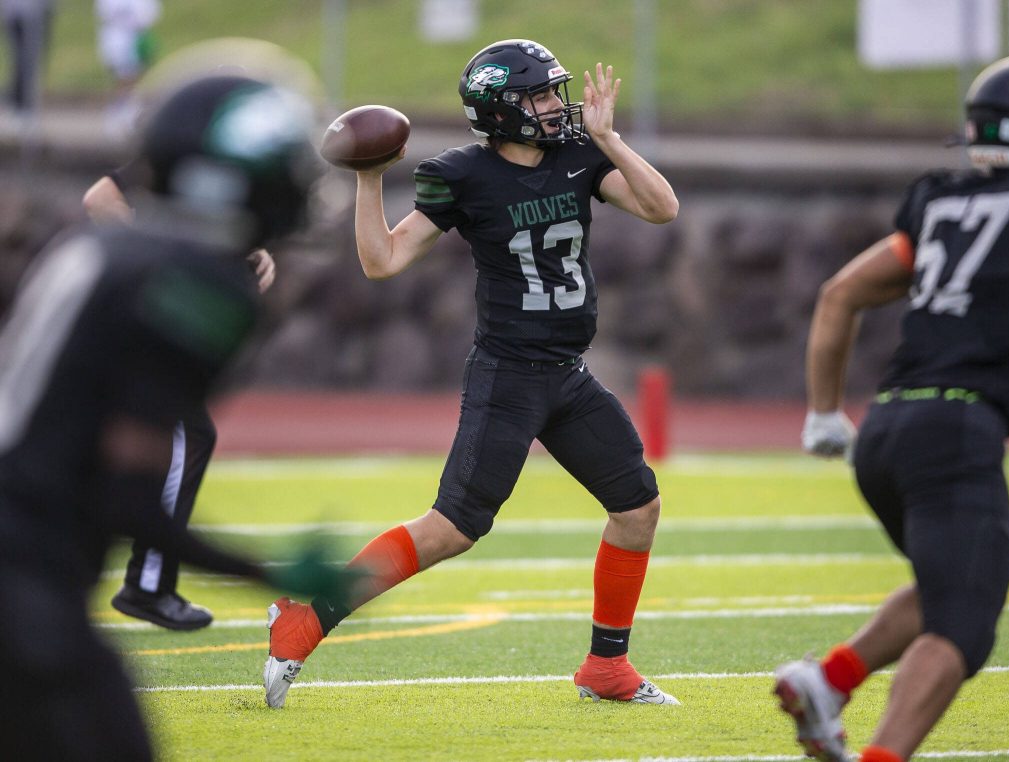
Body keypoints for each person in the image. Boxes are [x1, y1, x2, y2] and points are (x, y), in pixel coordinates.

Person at [263, 38, 680, 709]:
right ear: (500, 109)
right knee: (452, 528)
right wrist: (369, 180)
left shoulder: (581, 155)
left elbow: (662, 207)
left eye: (553, 92)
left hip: (568, 375)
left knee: (637, 509)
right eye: (539, 96)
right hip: (509, 375)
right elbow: (383, 261)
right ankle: (306, 617)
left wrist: (612, 139)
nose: (554, 106)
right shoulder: (462, 175)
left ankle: (607, 667)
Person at [0, 74, 355, 760]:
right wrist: (267, 575)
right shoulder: (196, 287)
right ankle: (151, 590)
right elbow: (130, 499)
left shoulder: (97, 249)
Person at [774, 55, 1009, 762]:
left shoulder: (939, 200)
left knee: (954, 581)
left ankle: (829, 680)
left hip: (886, 428)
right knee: (963, 626)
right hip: (956, 428)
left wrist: (825, 412)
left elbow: (839, 293)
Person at [82, 168, 277, 631]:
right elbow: (99, 199)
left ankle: (143, 582)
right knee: (186, 433)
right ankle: (147, 584)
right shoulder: (182, 158)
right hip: (120, 327)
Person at [94, 0, 161, 136]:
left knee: (136, 79)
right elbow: (107, 14)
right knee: (124, 79)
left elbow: (149, 15)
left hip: (136, 38)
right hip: (117, 39)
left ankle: (129, 113)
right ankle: (119, 115)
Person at [1, 0, 54, 126]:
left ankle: (21, 103)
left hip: (31, 9)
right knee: (25, 58)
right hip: (21, 11)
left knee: (28, 58)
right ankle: (23, 105)